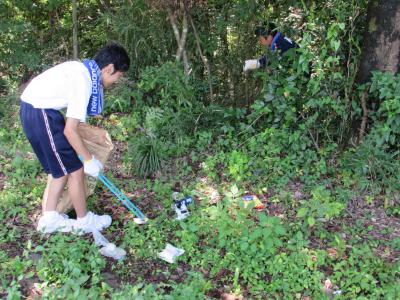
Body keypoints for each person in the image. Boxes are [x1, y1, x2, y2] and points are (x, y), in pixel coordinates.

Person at [20, 42, 130, 234]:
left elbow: (74, 125)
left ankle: (50, 218)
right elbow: (70, 130)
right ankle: (84, 221)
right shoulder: (84, 81)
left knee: (61, 170)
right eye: (118, 76)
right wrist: (89, 160)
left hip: (35, 111)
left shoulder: (82, 69)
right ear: (109, 68)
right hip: (41, 114)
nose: (116, 81)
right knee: (76, 170)